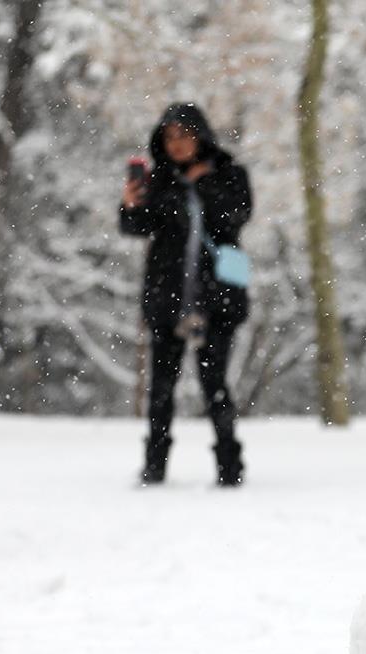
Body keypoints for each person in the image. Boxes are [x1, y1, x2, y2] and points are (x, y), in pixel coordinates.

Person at [120, 102, 252, 487]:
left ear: (201, 136)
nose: (177, 145)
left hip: (218, 297)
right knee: (161, 387)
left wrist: (202, 182)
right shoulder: (159, 181)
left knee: (215, 383)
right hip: (168, 297)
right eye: (169, 137)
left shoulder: (230, 174)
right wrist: (130, 204)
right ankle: (154, 463)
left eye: (184, 135)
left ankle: (230, 464)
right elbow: (136, 227)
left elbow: (237, 214)